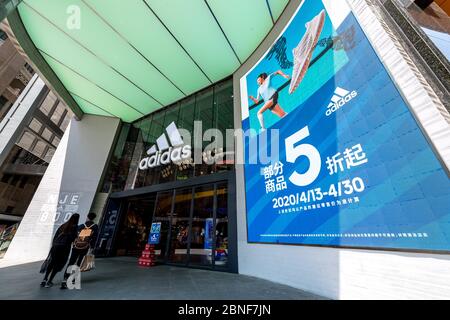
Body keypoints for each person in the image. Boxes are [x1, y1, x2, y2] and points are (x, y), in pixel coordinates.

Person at [61, 212, 99, 289]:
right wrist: (92, 247)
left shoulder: (81, 226)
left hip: (76, 246)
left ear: (87, 217)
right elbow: (94, 238)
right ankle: (73, 279)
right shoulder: (95, 227)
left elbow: (75, 236)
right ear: (94, 218)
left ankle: (65, 279)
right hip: (85, 247)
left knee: (71, 262)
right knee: (79, 263)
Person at [41, 214, 80, 288]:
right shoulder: (75, 227)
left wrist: (54, 245)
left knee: (52, 262)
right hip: (64, 248)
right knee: (58, 264)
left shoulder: (63, 225)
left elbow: (55, 236)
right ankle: (49, 281)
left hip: (55, 246)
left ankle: (44, 279)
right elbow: (73, 239)